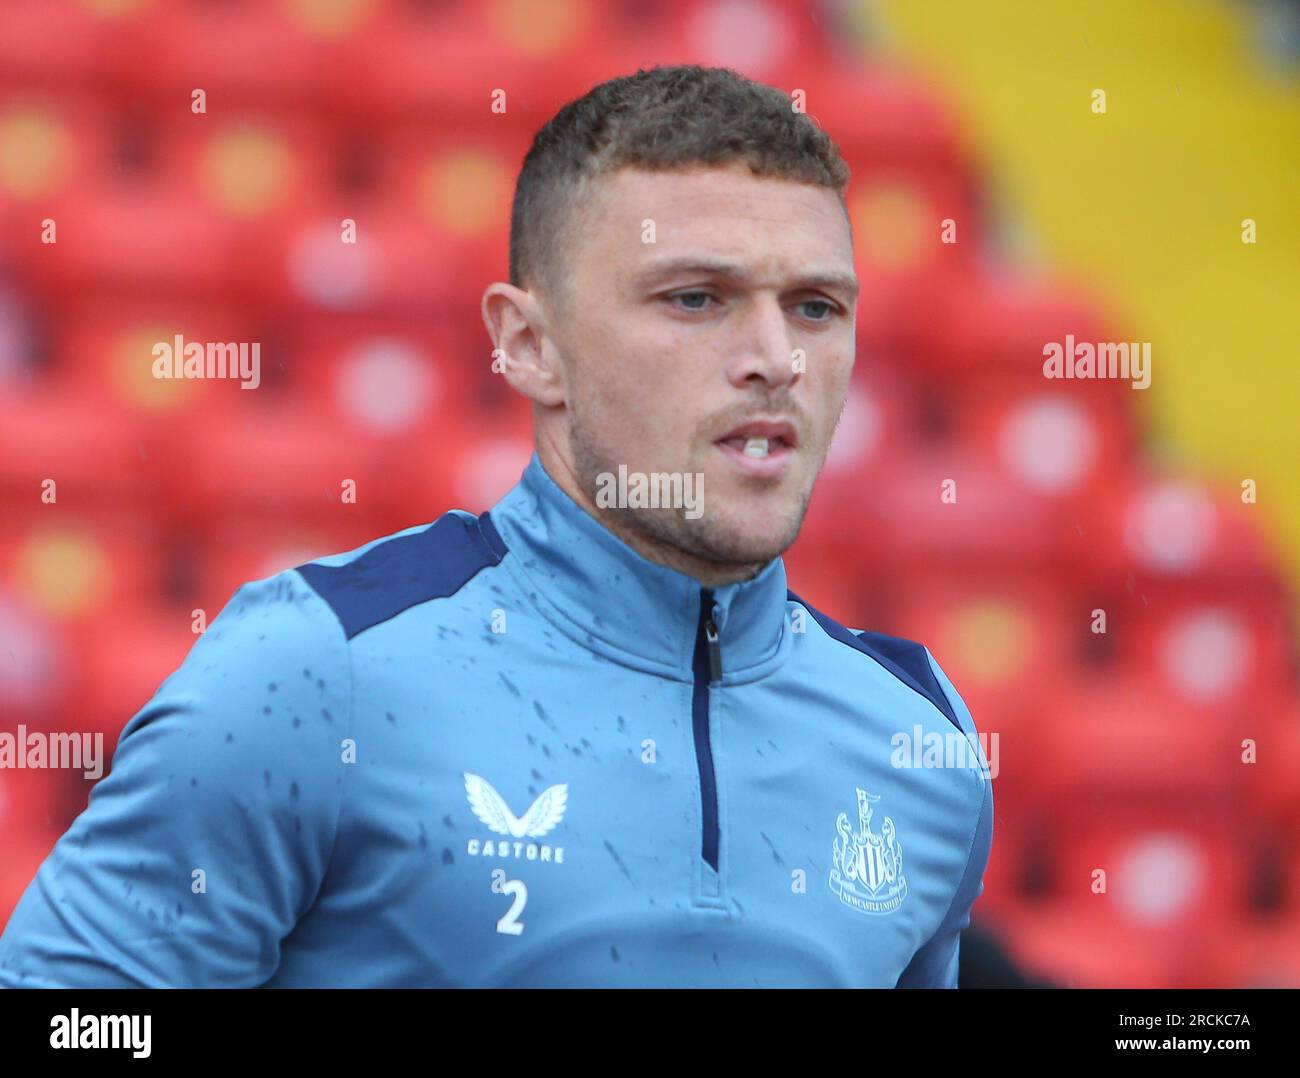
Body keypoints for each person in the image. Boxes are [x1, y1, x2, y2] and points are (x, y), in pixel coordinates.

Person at [0, 64, 992, 988]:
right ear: (529, 347)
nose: (776, 358)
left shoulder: (920, 737)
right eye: (698, 298)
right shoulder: (317, 669)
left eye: (816, 308)